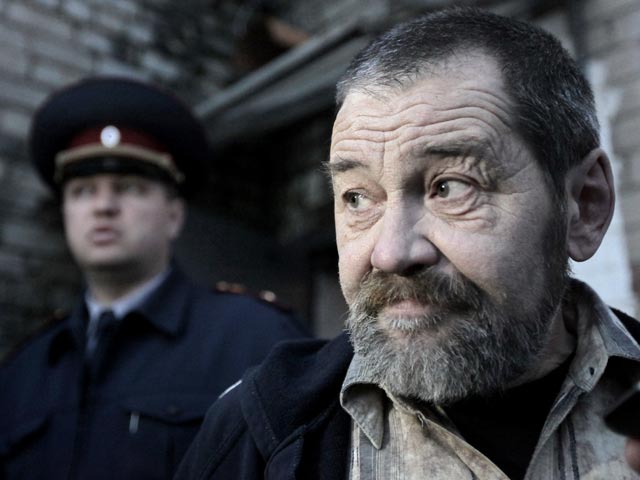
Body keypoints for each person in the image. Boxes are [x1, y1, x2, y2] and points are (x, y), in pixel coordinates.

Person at [175, 7, 640, 480]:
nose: (391, 253)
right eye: (357, 198)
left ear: (584, 205)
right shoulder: (259, 434)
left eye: (452, 187)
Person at [0, 77, 307, 479]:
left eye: (129, 188)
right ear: (65, 214)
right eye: (83, 191)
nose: (103, 206)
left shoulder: (255, 339)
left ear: (174, 216)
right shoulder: (25, 369)